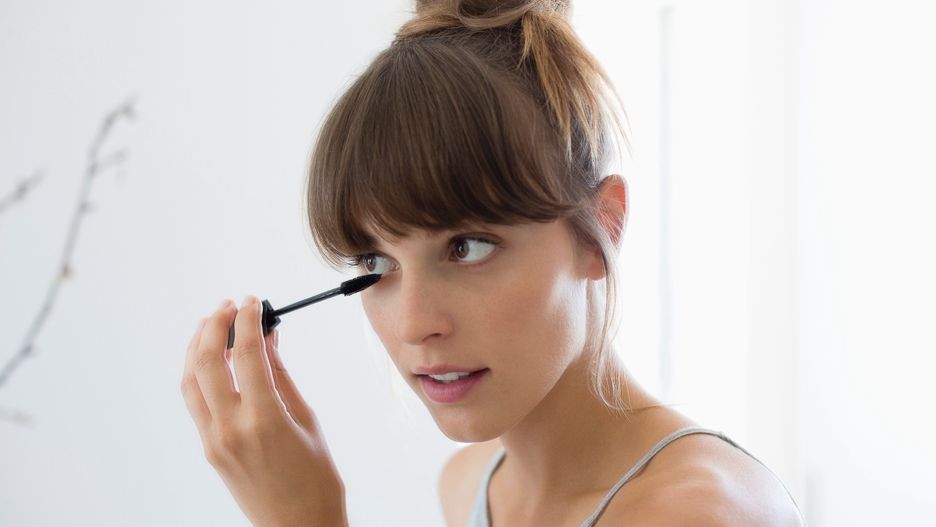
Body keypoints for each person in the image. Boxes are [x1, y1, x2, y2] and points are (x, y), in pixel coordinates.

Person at [181, 0, 807, 525]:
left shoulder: (698, 513)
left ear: (601, 232)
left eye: (467, 247)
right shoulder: (470, 485)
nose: (414, 325)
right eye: (376, 261)